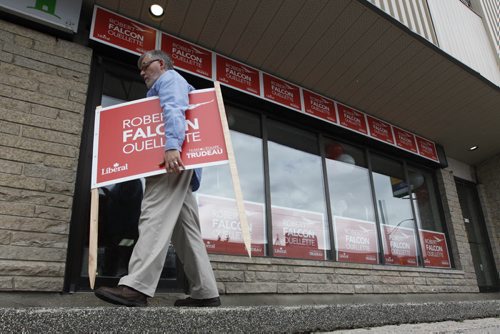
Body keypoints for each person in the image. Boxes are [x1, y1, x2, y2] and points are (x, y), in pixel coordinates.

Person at [94, 50, 220, 307]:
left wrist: (172, 145)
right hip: (181, 165)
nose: (141, 72)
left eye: (145, 66)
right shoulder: (168, 82)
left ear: (160, 64)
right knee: (186, 231)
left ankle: (136, 286)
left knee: (153, 214)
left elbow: (174, 106)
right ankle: (206, 292)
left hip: (171, 161)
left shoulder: (169, 79)